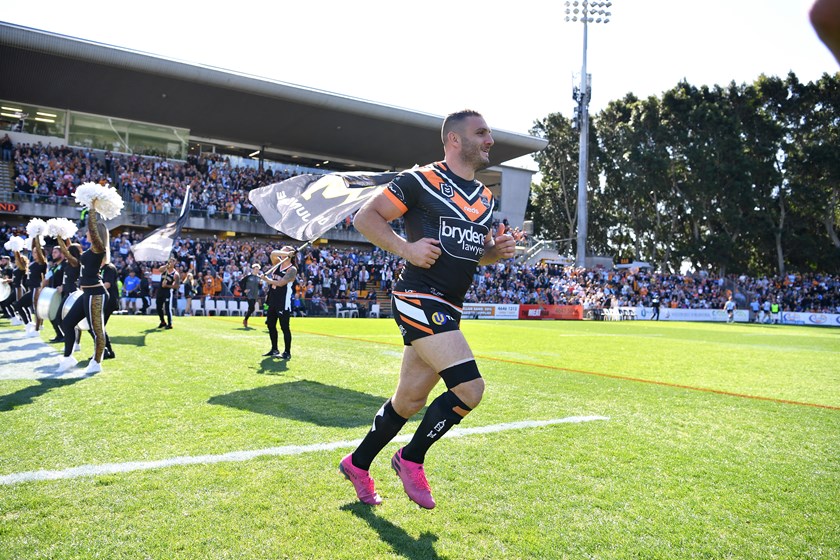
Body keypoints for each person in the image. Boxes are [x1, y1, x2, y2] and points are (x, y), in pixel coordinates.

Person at [338, 110, 519, 509]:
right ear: (455, 140)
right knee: (470, 389)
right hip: (418, 299)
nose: (490, 140)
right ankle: (410, 458)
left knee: (409, 401)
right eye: (482, 133)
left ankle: (357, 463)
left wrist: (496, 253)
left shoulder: (486, 199)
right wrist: (406, 249)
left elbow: (471, 257)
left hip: (448, 306)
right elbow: (365, 217)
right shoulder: (419, 180)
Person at [57, 203, 111, 374]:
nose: (87, 233)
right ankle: (67, 358)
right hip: (85, 293)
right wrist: (60, 237)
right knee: (67, 323)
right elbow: (69, 254)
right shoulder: (89, 251)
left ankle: (96, 362)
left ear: (96, 234)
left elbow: (93, 229)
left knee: (96, 330)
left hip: (96, 293)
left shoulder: (98, 248)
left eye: (89, 231)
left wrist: (92, 208)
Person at [259, 246, 297, 358]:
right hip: (273, 299)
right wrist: (286, 253)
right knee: (270, 324)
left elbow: (280, 283)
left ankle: (287, 352)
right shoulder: (277, 263)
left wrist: (268, 280)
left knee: (284, 327)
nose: (281, 253)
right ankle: (274, 349)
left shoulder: (292, 269)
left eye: (284, 251)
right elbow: (273, 253)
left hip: (283, 300)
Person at [13, 239, 46, 337]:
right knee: (18, 305)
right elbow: (32, 249)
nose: (34, 253)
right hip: (31, 289)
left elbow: (44, 277)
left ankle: (36, 329)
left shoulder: (42, 264)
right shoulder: (32, 263)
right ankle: (28, 324)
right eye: (34, 252)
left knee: (36, 309)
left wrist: (36, 237)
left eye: (36, 252)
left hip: (36, 289)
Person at [44, 245, 66, 342]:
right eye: (53, 252)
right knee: (52, 315)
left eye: (56, 252)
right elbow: (47, 278)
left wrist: (63, 287)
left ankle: (66, 336)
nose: (53, 254)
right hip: (54, 294)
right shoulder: (54, 266)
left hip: (63, 293)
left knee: (59, 316)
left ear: (62, 253)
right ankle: (59, 335)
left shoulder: (66, 265)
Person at [156, 257, 181, 329]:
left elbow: (176, 286)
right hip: (160, 291)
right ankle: (162, 321)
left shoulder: (176, 274)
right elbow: (159, 270)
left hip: (167, 291)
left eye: (172, 262)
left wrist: (167, 285)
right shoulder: (165, 269)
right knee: (158, 307)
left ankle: (170, 324)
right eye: (169, 261)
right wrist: (166, 266)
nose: (170, 263)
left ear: (174, 263)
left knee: (167, 308)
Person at [241, 263, 262, 328]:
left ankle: (245, 318)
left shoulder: (259, 278)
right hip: (249, 294)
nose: (257, 271)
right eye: (255, 269)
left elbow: (259, 288)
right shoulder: (248, 276)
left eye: (258, 270)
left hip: (255, 294)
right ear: (253, 269)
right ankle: (245, 320)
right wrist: (244, 290)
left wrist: (260, 284)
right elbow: (241, 282)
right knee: (252, 308)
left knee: (251, 308)